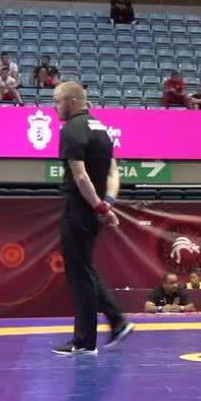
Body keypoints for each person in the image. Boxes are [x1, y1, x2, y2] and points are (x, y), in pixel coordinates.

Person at [51, 81, 134, 356]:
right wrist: (107, 204)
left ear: (71, 101)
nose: (54, 107)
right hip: (93, 210)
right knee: (85, 270)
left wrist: (100, 207)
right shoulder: (102, 130)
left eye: (57, 101)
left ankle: (88, 339)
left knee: (80, 274)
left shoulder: (71, 130)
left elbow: (81, 177)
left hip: (79, 207)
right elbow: (113, 172)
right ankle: (109, 326)